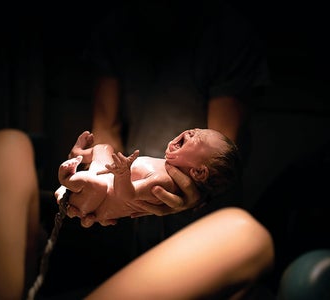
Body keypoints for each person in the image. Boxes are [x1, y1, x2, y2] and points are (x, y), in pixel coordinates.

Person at [0, 129, 274, 300]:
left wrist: (189, 201)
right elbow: (107, 142)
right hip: (103, 209)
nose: (185, 136)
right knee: (11, 141)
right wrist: (99, 169)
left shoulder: (224, 41)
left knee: (246, 231)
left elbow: (223, 163)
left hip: (149, 220)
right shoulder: (117, 33)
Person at [79, 0, 270, 253]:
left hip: (206, 218)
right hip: (138, 209)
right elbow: (106, 128)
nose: (191, 132)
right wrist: (100, 179)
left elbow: (220, 148)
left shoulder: (227, 34)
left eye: (196, 134)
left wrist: (197, 195)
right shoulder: (116, 28)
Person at [57, 128, 241, 228]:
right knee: (104, 148)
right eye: (198, 128)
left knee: (93, 183)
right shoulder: (167, 168)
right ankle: (78, 154)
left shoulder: (165, 182)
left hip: (98, 198)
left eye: (199, 138)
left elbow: (127, 196)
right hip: (101, 179)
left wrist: (123, 174)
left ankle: (67, 179)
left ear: (199, 173)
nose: (192, 131)